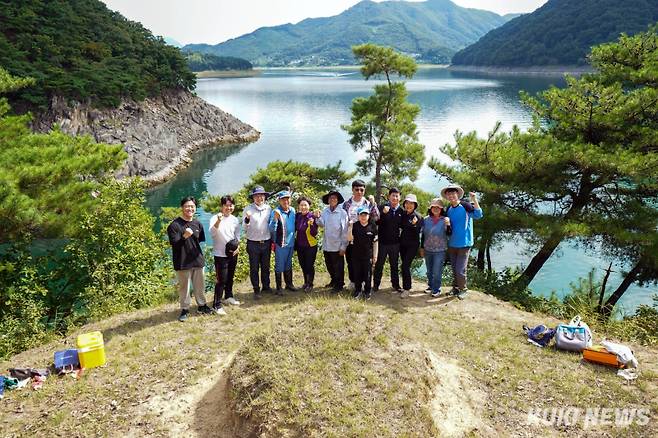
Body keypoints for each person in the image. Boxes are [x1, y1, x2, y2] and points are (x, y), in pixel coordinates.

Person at [166, 196, 213, 322]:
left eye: (192, 206)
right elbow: (174, 244)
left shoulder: (197, 223)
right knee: (184, 287)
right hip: (182, 261)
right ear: (182, 208)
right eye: (187, 206)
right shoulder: (174, 225)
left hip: (197, 259)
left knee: (199, 286)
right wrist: (184, 237)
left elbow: (200, 241)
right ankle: (185, 309)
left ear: (195, 208)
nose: (190, 209)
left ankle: (202, 305)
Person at [441, 184, 483, 299]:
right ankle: (455, 288)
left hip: (464, 243)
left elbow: (478, 215)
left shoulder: (465, 206)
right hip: (452, 243)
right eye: (448, 194)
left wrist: (474, 199)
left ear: (457, 194)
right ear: (446, 196)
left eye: (453, 193)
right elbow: (448, 229)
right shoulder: (448, 209)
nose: (451, 196)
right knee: (454, 268)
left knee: (460, 269)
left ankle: (463, 289)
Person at [342, 179, 379, 291]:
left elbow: (377, 217)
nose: (359, 192)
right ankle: (353, 281)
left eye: (361, 190)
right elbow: (342, 219)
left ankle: (363, 282)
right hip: (351, 237)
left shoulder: (368, 203)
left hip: (365, 238)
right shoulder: (346, 204)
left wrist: (374, 205)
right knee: (351, 261)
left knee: (365, 262)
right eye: (356, 189)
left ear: (364, 190)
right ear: (352, 190)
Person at [209, 195, 241, 314]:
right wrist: (218, 220)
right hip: (220, 254)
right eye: (226, 205)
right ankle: (216, 305)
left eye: (231, 205)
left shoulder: (235, 219)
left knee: (230, 277)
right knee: (221, 280)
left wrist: (237, 246)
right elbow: (212, 233)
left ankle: (228, 296)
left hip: (232, 253)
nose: (229, 207)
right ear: (222, 206)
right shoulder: (215, 218)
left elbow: (237, 235)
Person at [243, 186, 272, 300]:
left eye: (261, 195)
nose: (259, 197)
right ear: (253, 197)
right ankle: (256, 289)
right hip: (253, 243)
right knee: (254, 268)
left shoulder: (269, 208)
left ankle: (266, 286)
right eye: (256, 196)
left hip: (266, 241)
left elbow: (272, 224)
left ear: (264, 196)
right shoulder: (248, 209)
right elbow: (244, 227)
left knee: (266, 266)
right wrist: (247, 219)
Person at [316, 190, 348, 292]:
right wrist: (317, 217)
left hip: (337, 245)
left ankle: (339, 285)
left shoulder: (342, 213)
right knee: (329, 265)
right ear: (328, 200)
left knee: (338, 267)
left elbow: (345, 231)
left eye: (334, 198)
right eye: (330, 198)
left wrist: (343, 246)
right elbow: (321, 224)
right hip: (327, 244)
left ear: (338, 200)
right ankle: (333, 281)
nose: (332, 199)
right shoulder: (325, 211)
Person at [419, 198, 451, 298]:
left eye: (438, 207)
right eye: (434, 207)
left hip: (440, 250)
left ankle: (436, 289)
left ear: (441, 209)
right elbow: (423, 235)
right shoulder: (426, 219)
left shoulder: (445, 220)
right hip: (428, 249)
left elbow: (449, 233)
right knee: (429, 270)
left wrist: (448, 225)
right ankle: (430, 286)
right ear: (431, 208)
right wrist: (421, 248)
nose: (436, 209)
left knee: (437, 271)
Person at [373, 187, 403, 292]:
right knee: (379, 264)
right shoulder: (382, 208)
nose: (395, 198)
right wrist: (383, 214)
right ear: (389, 197)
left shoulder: (401, 211)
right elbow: (375, 222)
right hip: (383, 242)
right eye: (393, 195)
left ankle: (395, 285)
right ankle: (376, 285)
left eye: (397, 195)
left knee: (394, 265)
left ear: (400, 197)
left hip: (395, 243)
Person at [347, 206, 379, 299]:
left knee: (367, 275)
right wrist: (350, 227)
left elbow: (376, 242)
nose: (363, 217)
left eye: (365, 214)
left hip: (368, 256)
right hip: (356, 255)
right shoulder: (355, 225)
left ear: (369, 216)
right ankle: (358, 291)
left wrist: (375, 256)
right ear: (358, 216)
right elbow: (349, 239)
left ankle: (367, 291)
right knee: (357, 274)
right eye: (361, 215)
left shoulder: (372, 226)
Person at [269, 190, 297, 294]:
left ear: (290, 199)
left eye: (287, 198)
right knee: (279, 266)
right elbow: (271, 229)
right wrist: (275, 219)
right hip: (280, 244)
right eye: (283, 199)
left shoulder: (293, 210)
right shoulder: (276, 212)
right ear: (279, 201)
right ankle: (279, 288)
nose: (286, 201)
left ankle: (289, 284)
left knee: (288, 264)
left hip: (291, 243)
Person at [399, 193, 423, 298]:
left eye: (411, 203)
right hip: (402, 244)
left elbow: (418, 231)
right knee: (404, 266)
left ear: (415, 205)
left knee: (405, 265)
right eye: (407, 203)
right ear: (404, 204)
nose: (409, 205)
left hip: (412, 245)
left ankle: (407, 288)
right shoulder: (403, 214)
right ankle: (405, 286)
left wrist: (414, 225)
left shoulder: (418, 217)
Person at [295, 196, 319, 292]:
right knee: (303, 265)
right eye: (301, 205)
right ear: (299, 207)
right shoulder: (298, 216)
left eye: (305, 205)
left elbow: (314, 233)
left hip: (311, 246)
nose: (303, 207)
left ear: (309, 206)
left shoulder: (312, 217)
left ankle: (310, 284)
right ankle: (305, 282)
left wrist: (312, 224)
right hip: (300, 246)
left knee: (309, 265)